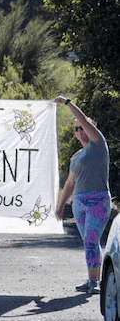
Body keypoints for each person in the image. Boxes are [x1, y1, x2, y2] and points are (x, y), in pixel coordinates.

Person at [55, 96, 111, 294]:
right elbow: (70, 183)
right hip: (79, 204)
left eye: (82, 127)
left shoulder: (98, 144)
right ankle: (92, 280)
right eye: (76, 129)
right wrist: (61, 206)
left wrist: (68, 103)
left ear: (89, 128)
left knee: (90, 240)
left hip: (98, 200)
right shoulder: (76, 157)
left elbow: (84, 121)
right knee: (89, 242)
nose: (79, 131)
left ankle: (95, 282)